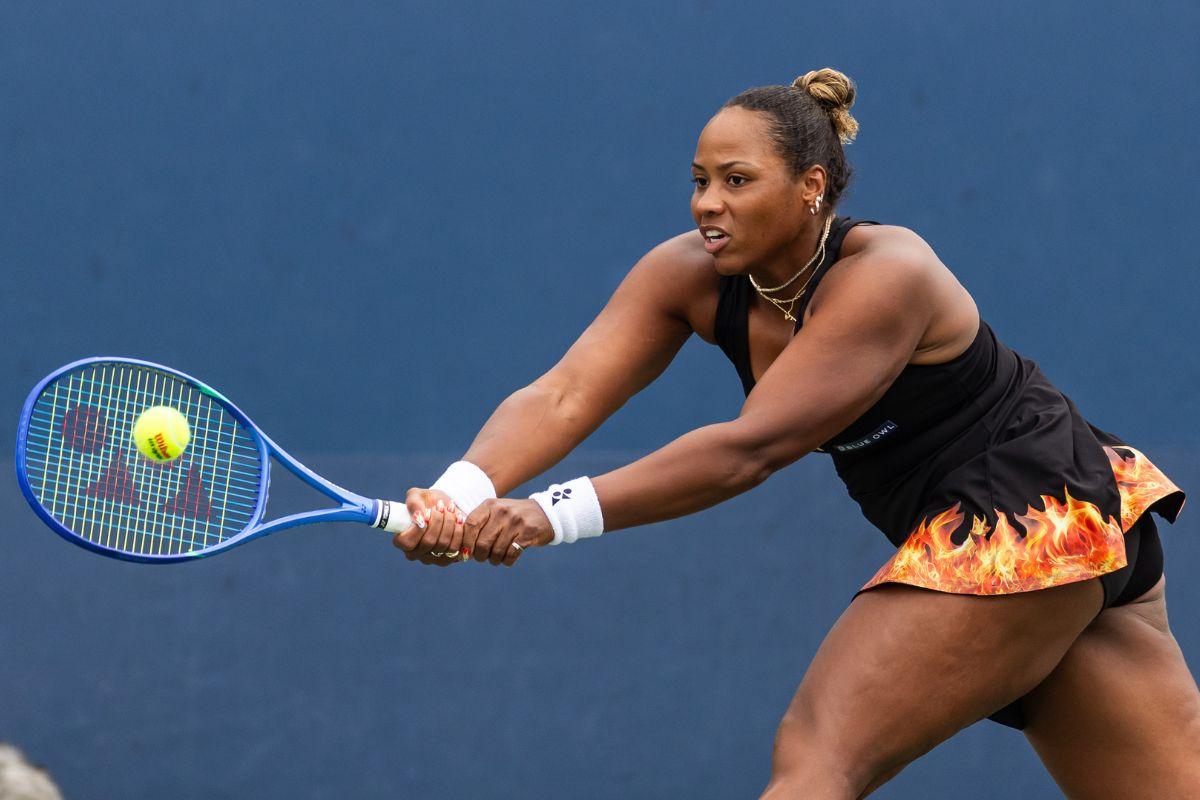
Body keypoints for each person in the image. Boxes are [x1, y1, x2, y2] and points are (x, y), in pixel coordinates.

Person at [393, 68, 1196, 797]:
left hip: (1031, 513)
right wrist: (461, 494)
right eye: (701, 182)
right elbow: (564, 395)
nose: (709, 203)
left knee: (818, 757)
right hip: (1077, 521)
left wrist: (546, 514)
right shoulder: (686, 276)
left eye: (738, 182)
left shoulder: (889, 273)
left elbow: (750, 450)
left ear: (812, 185)